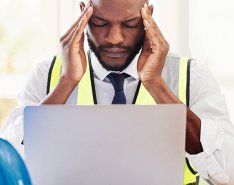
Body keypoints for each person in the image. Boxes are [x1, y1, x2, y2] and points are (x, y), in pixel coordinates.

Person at [1, 0, 234, 184]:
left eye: (130, 24)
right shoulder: (47, 75)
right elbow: (7, 165)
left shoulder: (191, 75)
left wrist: (156, 83)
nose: (114, 38)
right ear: (84, 13)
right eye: (101, 23)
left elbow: (227, 172)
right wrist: (66, 82)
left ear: (148, 16)